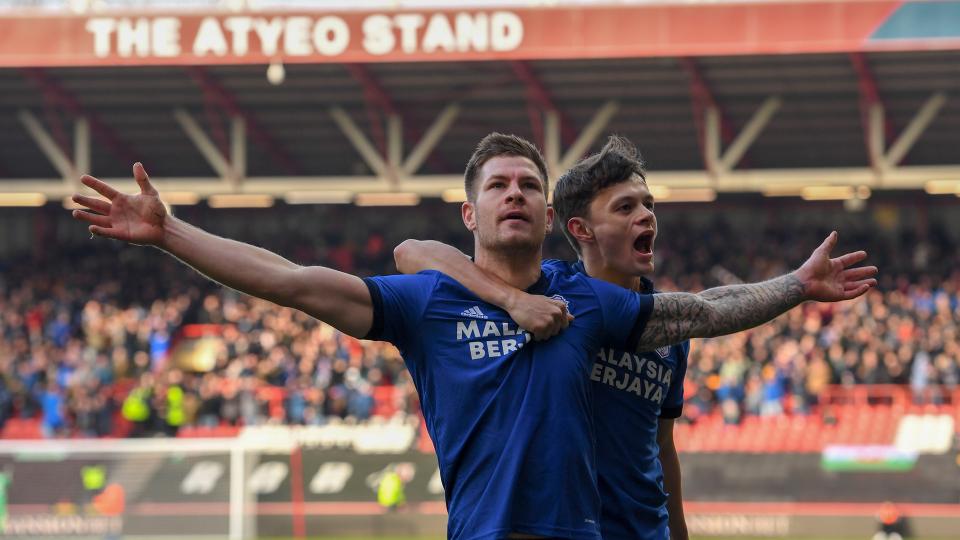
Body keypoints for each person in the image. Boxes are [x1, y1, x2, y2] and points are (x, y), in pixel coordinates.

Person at [71, 133, 875, 539]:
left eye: (529, 181)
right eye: (498, 185)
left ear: (547, 213)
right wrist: (173, 235)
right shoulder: (426, 304)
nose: (515, 193)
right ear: (472, 213)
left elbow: (700, 312)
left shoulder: (583, 303)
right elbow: (288, 278)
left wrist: (796, 288)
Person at [394, 136, 878, 539]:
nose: (647, 217)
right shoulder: (552, 295)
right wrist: (509, 299)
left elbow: (661, 446)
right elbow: (415, 252)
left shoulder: (666, 332)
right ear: (580, 229)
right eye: (626, 207)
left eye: (649, 205)